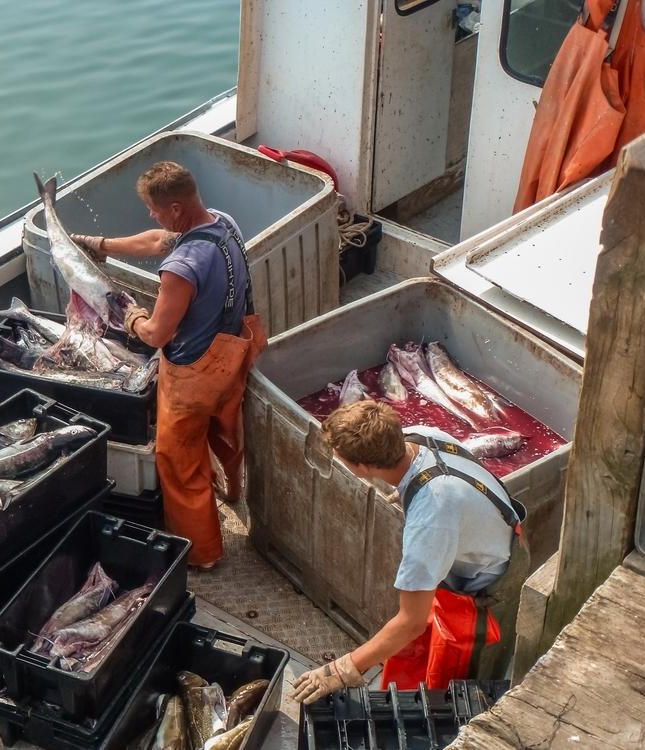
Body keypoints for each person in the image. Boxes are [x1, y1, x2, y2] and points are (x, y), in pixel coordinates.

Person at [70, 161, 266, 571]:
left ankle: (203, 554)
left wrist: (134, 317)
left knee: (178, 461)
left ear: (176, 208)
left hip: (195, 374)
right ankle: (233, 491)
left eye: (154, 208)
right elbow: (159, 240)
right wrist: (100, 244)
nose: (151, 215)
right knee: (226, 429)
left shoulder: (181, 267)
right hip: (236, 349)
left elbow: (158, 335)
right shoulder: (223, 223)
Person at [291, 401, 529, 704]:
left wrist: (342, 669)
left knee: (462, 684)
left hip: (492, 585)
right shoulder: (421, 435)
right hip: (495, 532)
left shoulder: (431, 518)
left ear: (363, 467)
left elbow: (411, 622)